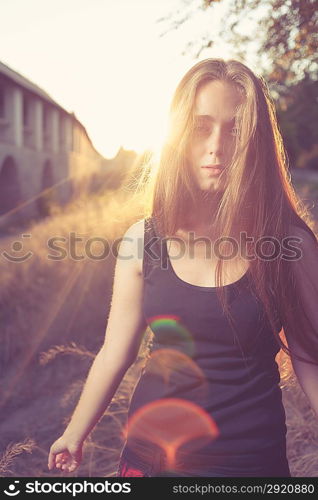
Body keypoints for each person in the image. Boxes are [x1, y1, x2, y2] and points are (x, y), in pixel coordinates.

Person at [48, 58, 318, 477]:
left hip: (249, 466)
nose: (216, 145)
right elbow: (115, 352)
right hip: (151, 461)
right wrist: (74, 431)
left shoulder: (291, 245)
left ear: (257, 141)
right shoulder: (143, 240)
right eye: (200, 127)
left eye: (236, 129)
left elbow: (309, 358)